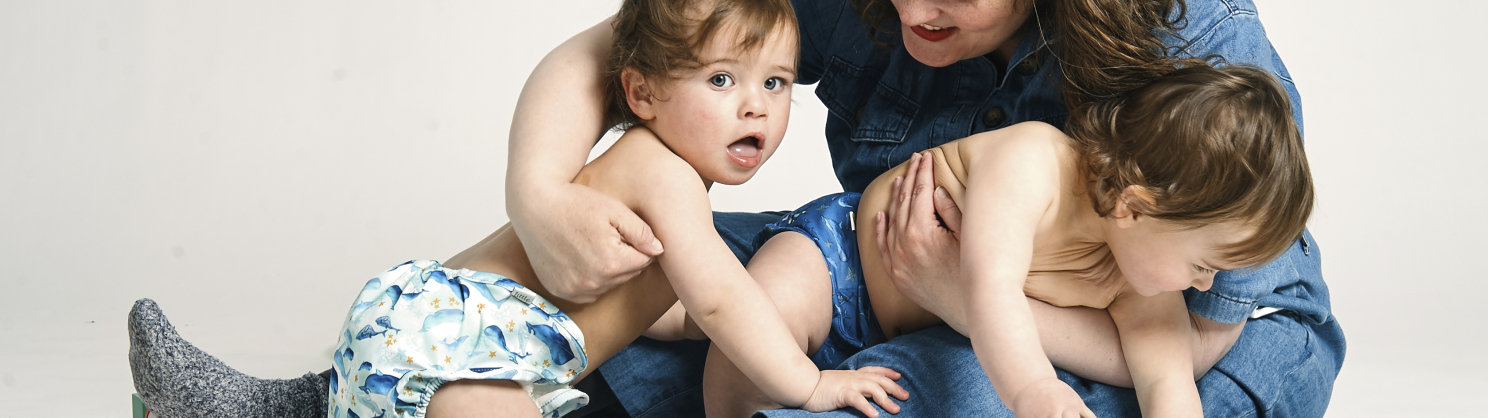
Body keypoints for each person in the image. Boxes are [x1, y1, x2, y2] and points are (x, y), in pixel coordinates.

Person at [507, 0, 1344, 417]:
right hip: (864, 259)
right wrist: (541, 196)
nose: (912, 9)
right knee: (637, 258)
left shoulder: (1193, 44)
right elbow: (631, 46)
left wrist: (967, 303)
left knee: (946, 389)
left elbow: (1182, 337)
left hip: (1169, 331)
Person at [129, 0, 909, 417]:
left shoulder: (667, 185)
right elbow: (720, 295)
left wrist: (690, 316)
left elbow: (676, 307)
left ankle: (278, 408)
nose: (756, 110)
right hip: (445, 341)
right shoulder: (663, 172)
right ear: (640, 94)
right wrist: (810, 388)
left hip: (423, 336)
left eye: (775, 84)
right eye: (721, 82)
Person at [646, 63, 1313, 417]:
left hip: (911, 334)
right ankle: (680, 320)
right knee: (747, 345)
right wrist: (1031, 390)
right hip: (842, 258)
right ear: (1137, 206)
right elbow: (987, 286)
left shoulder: (1140, 279)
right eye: (1204, 264)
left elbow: (1170, 386)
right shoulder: (1035, 165)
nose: (1206, 287)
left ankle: (685, 316)